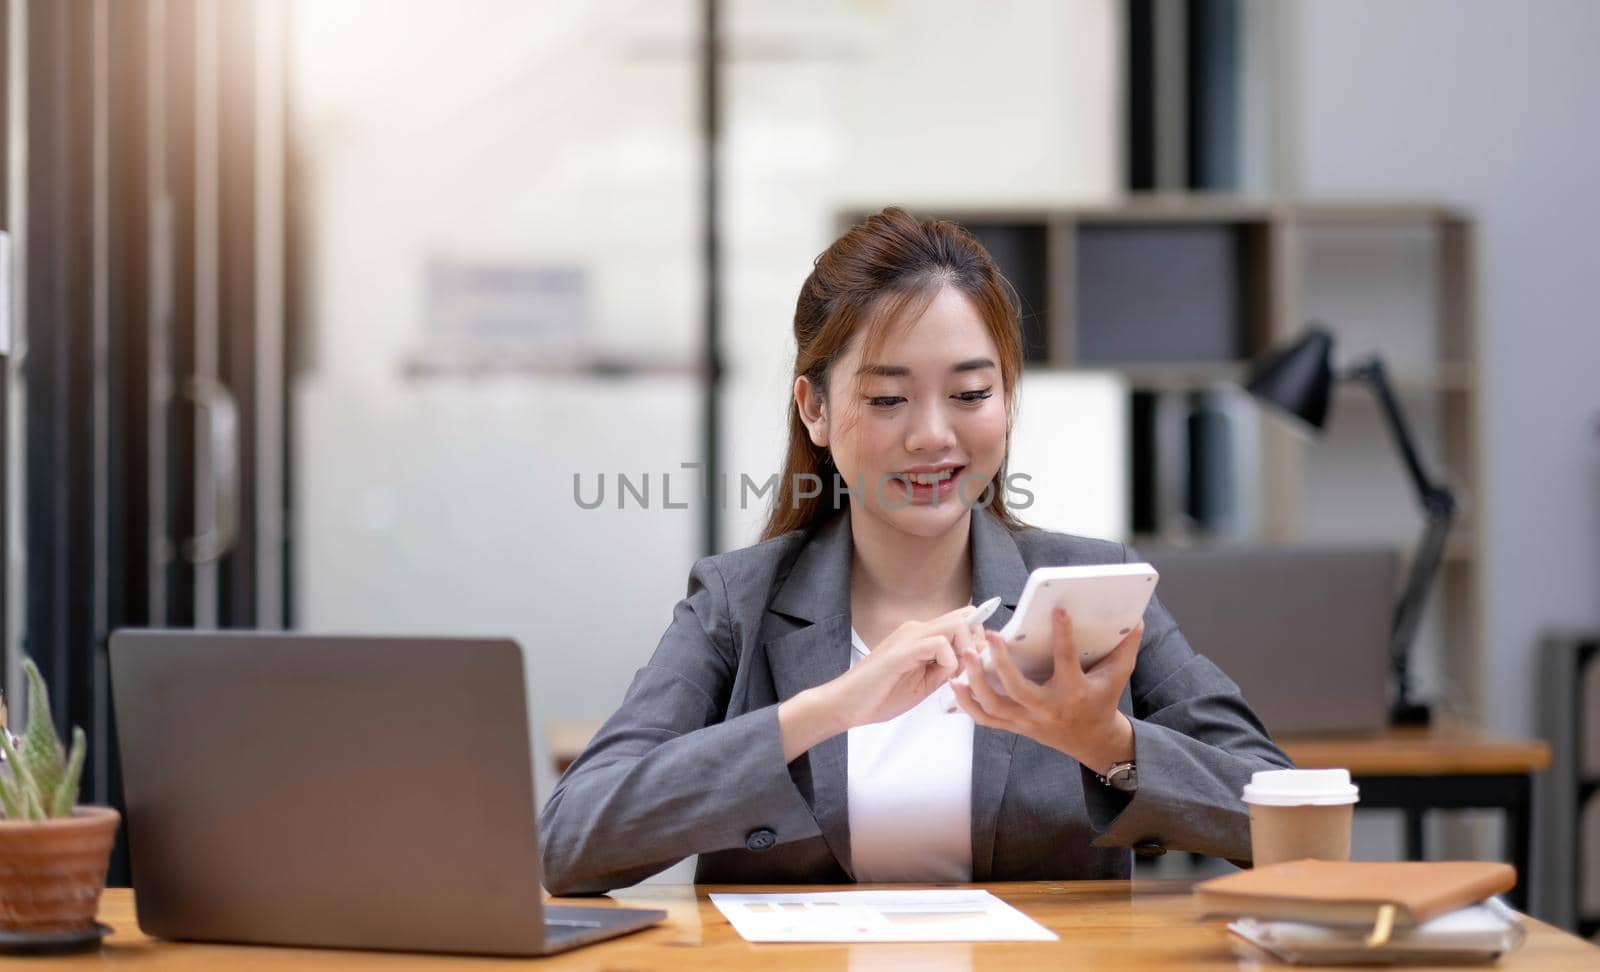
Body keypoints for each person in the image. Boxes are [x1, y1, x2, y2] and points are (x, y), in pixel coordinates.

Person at [538, 207, 1292, 895]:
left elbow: (1294, 829)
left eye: (970, 394)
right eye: (888, 398)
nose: (933, 434)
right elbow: (570, 843)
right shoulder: (740, 601)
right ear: (817, 410)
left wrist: (1110, 743)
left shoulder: (1089, 592)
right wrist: (826, 710)